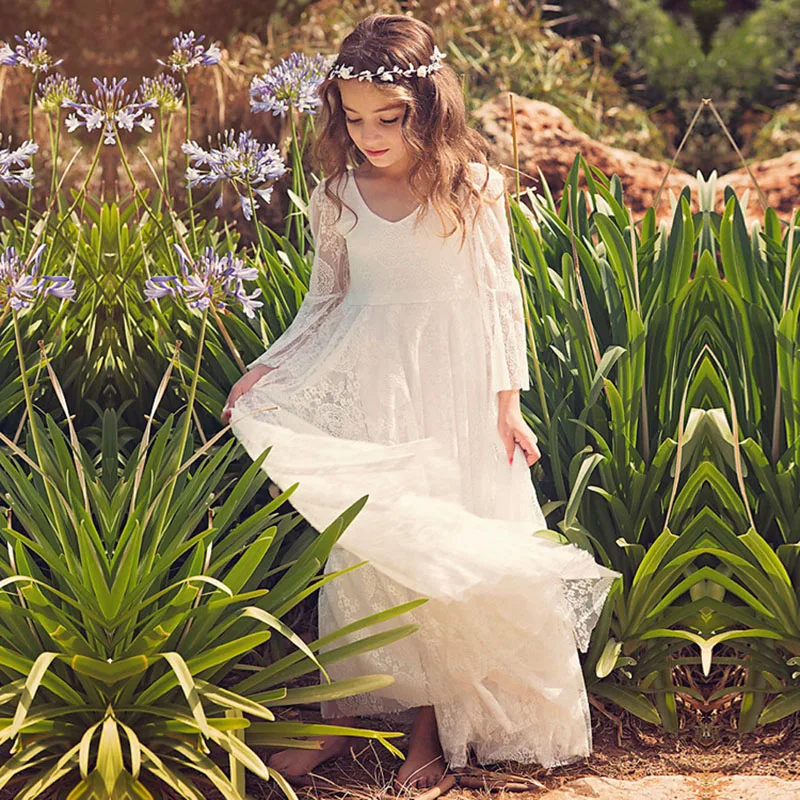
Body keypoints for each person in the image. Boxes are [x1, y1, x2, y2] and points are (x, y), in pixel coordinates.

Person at [224, 12, 621, 792]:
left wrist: (509, 403)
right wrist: (266, 369)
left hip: (456, 391)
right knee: (373, 554)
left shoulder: (473, 187)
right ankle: (350, 717)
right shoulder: (336, 190)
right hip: (374, 385)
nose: (369, 134)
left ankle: (432, 739)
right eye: (353, 116)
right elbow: (325, 299)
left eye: (390, 118)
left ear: (429, 107)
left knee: (445, 555)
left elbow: (500, 297)